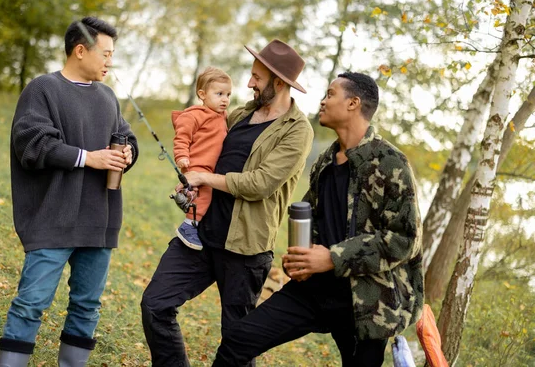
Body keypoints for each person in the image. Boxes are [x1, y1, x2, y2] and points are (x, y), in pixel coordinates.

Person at [212, 72, 424, 367]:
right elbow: (312, 214)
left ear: (353, 103)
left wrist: (333, 258)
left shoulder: (390, 162)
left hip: (366, 303)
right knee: (238, 340)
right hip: (313, 291)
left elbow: (404, 240)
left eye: (330, 94)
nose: (322, 102)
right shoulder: (326, 160)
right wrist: (302, 257)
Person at [140, 39, 314, 366]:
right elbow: (210, 152)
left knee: (236, 342)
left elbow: (260, 183)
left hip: (245, 250)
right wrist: (193, 176)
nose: (248, 83)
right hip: (202, 235)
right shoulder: (240, 114)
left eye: (256, 78)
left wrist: (205, 179)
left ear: (279, 83)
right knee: (155, 304)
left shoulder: (297, 131)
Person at [0, 16, 138, 367]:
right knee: (31, 303)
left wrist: (129, 151)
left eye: (112, 55)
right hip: (53, 218)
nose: (110, 62)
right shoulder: (43, 89)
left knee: (87, 306)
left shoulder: (108, 97)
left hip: (98, 221)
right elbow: (31, 143)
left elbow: (124, 134)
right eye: (105, 54)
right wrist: (87, 158)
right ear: (80, 50)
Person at [172, 66, 231, 250]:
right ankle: (188, 226)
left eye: (228, 95)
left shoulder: (222, 116)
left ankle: (192, 213)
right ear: (202, 94)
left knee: (198, 195)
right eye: (219, 93)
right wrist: (182, 157)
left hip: (211, 168)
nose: (225, 99)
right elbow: (182, 137)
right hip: (198, 165)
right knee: (203, 196)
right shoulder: (195, 115)